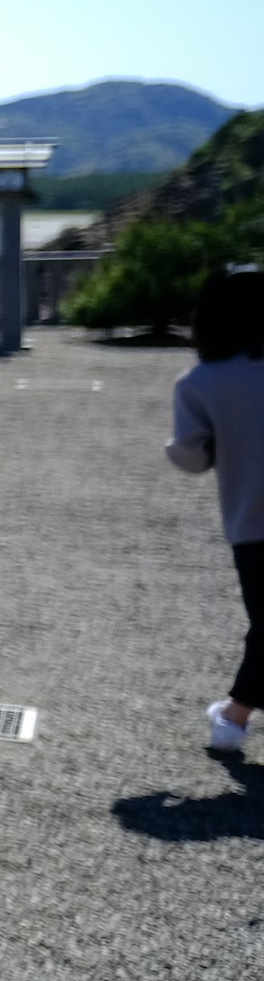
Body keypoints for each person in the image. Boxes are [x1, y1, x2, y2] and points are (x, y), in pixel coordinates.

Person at [173, 267, 264, 749]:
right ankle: (234, 717)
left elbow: (190, 456)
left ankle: (234, 719)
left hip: (254, 520)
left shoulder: (201, 382)